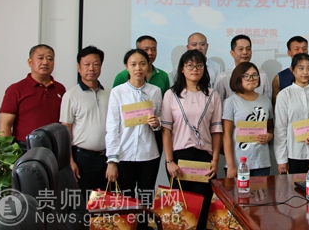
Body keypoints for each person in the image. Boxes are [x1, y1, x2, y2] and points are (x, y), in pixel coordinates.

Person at [162, 50, 222, 230]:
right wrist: (169, 161)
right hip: (179, 158)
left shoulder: (212, 95)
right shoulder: (171, 94)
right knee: (180, 208)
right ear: (182, 69)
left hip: (204, 158)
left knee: (203, 207)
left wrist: (215, 160)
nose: (195, 69)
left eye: (199, 65)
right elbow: (166, 130)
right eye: (190, 65)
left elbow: (216, 131)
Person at [105, 49, 162, 207]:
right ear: (127, 67)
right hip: (124, 155)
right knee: (126, 200)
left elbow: (160, 118)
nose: (138, 68)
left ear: (148, 66)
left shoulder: (155, 91)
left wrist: (157, 122)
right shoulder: (117, 92)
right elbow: (112, 127)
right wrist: (112, 160)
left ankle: (144, 222)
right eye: (133, 64)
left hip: (148, 155)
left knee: (146, 198)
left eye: (142, 64)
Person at [60, 45, 109, 198]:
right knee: (83, 202)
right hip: (82, 159)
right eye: (86, 64)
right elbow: (65, 130)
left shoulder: (110, 93)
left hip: (107, 158)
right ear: (78, 67)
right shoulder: (70, 95)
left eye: (96, 64)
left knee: (105, 203)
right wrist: (69, 161)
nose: (91, 68)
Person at [0, 44, 66, 152]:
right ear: (30, 62)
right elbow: (5, 124)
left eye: (50, 59)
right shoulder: (15, 89)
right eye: (40, 58)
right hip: (24, 149)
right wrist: (6, 153)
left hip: (54, 148)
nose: (45, 62)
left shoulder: (60, 88)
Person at [274, 53, 309, 174]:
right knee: (293, 185)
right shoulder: (284, 95)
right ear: (293, 70)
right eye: (301, 68)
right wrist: (282, 159)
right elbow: (280, 128)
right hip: (293, 153)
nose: (305, 72)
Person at [223, 62, 274, 177]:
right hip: (238, 163)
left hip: (262, 162)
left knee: (263, 189)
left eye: (254, 75)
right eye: (246, 76)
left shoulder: (266, 101)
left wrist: (270, 136)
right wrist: (231, 165)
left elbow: (271, 127)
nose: (251, 79)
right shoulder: (230, 102)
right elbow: (226, 135)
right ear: (238, 78)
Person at [214, 34, 270, 101]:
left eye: (248, 49)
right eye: (240, 49)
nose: (245, 52)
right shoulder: (223, 77)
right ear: (232, 53)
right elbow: (217, 104)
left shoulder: (262, 75)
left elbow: (267, 102)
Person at [272, 36, 309, 105]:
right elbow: (276, 106)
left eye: (304, 49)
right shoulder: (279, 78)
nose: (301, 52)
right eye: (297, 49)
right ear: (289, 52)